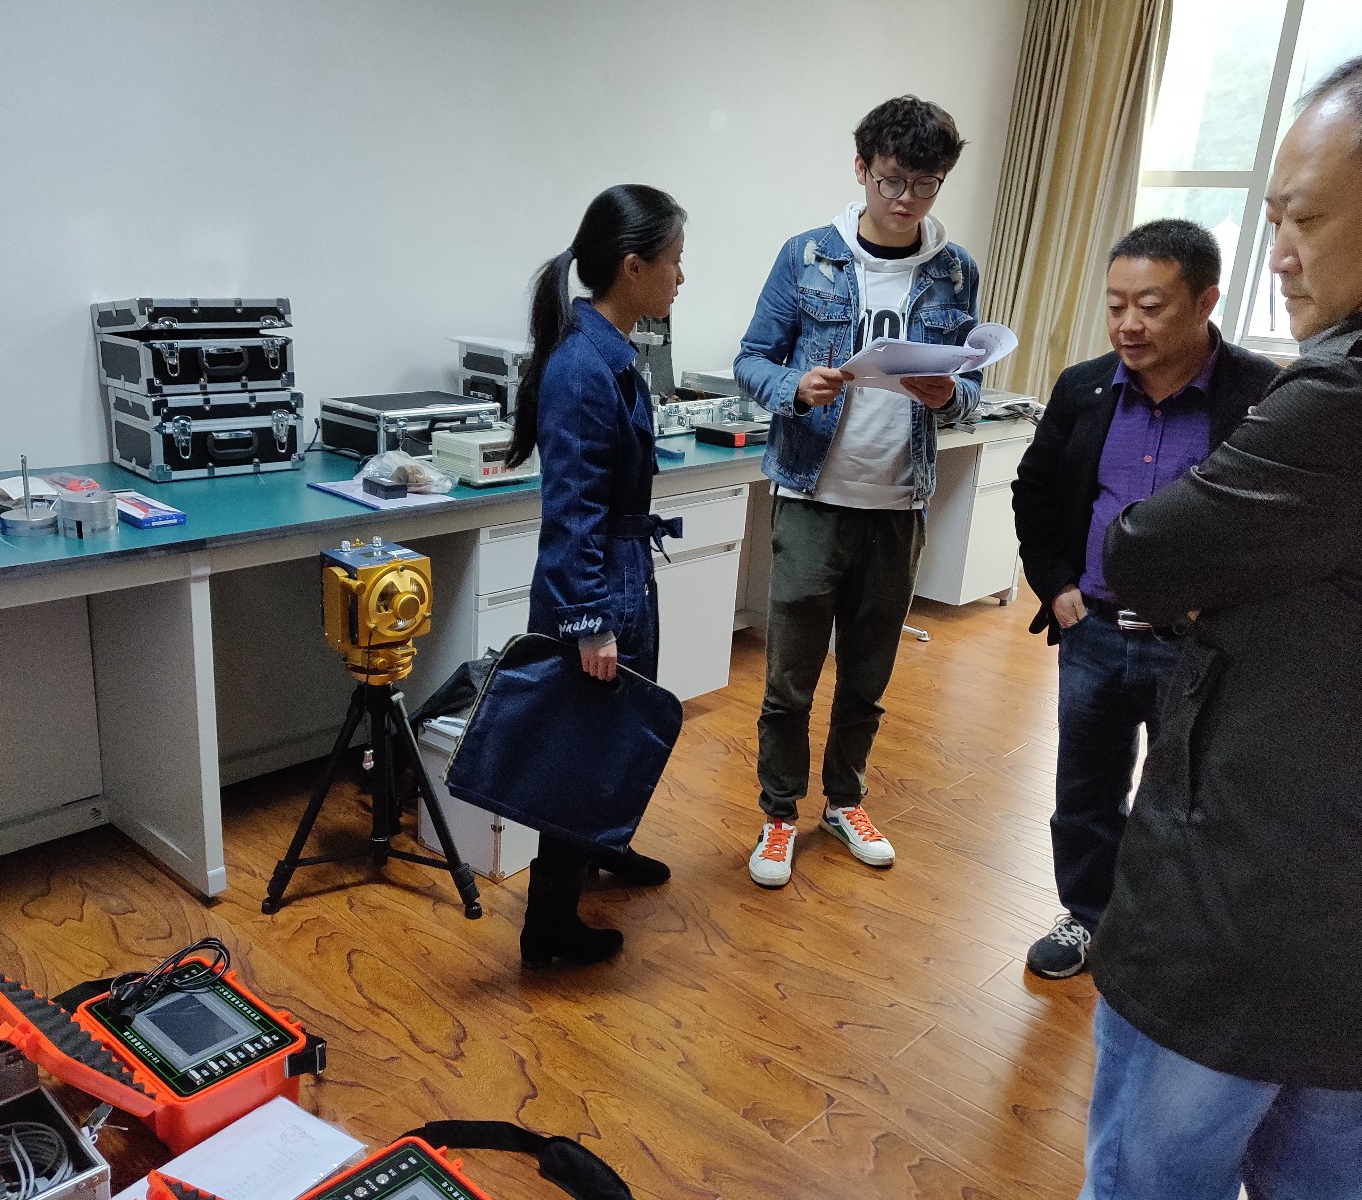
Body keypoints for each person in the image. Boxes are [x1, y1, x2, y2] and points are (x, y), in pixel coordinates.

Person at [1079, 48, 1362, 1200]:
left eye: (1305, 219)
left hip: (1254, 886)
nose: (1279, 250)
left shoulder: (1359, 390)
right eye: (1271, 219)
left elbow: (1146, 550)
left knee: (1152, 1165)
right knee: (1321, 1153)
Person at [1010, 219, 1278, 980]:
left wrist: (1222, 609)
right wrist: (1057, 585)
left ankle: (1160, 933)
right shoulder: (1084, 387)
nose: (1128, 324)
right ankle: (1087, 915)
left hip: (1197, 647)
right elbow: (1035, 491)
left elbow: (1275, 527)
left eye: (1151, 306)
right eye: (1116, 304)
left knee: (1186, 799)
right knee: (1084, 792)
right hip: (1093, 632)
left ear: (1205, 302)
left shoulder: (1261, 395)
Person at [734, 96, 981, 888]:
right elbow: (751, 359)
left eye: (926, 184)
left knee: (867, 681)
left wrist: (953, 397)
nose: (907, 199)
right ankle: (779, 814)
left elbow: (969, 387)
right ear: (862, 168)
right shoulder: (808, 256)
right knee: (790, 680)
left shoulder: (954, 270)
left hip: (899, 504)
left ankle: (844, 802)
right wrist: (794, 388)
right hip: (813, 496)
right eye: (892, 180)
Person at [505, 183, 687, 967]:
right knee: (580, 752)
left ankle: (606, 846)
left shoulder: (611, 351)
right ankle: (547, 925)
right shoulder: (584, 368)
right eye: (675, 262)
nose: (682, 277)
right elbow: (572, 509)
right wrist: (590, 621)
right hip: (598, 584)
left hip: (622, 570)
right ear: (634, 266)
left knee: (616, 733)